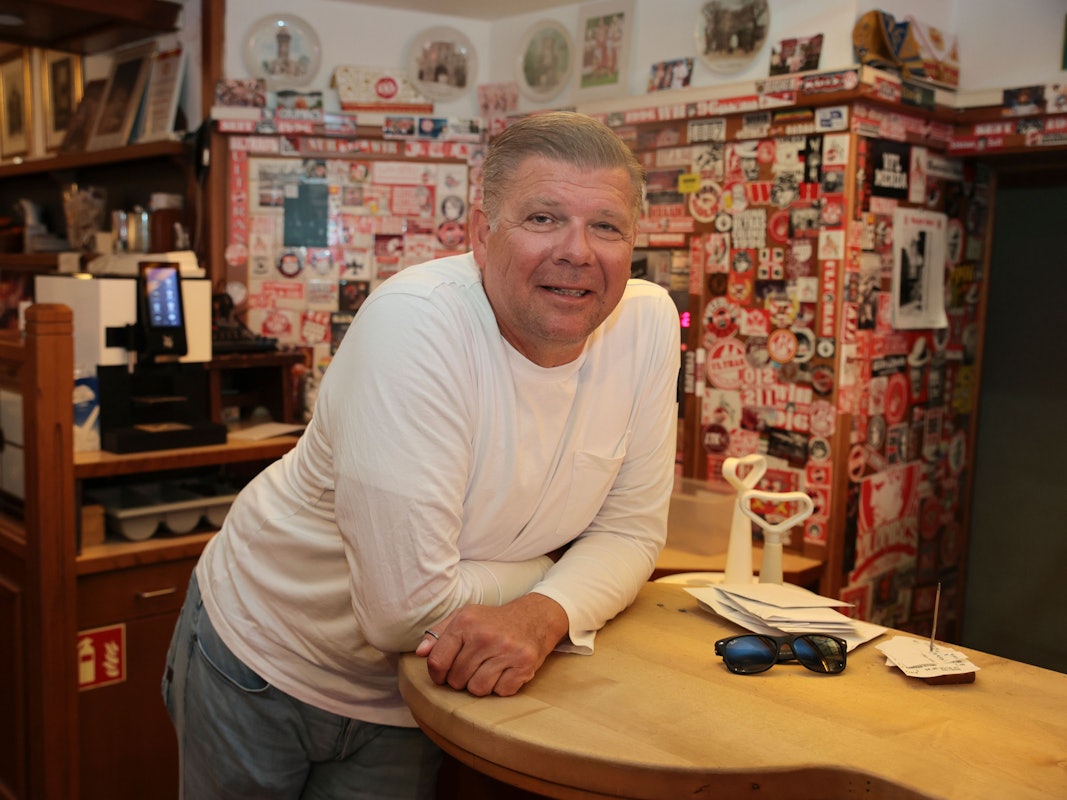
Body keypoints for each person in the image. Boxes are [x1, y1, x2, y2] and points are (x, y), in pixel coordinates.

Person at [161, 110, 680, 799]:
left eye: (606, 226)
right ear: (478, 234)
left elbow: (631, 532)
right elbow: (403, 610)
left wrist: (542, 614)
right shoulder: (418, 324)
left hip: (419, 692)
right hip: (264, 651)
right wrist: (559, 572)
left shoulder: (644, 327)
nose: (578, 251)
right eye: (543, 218)